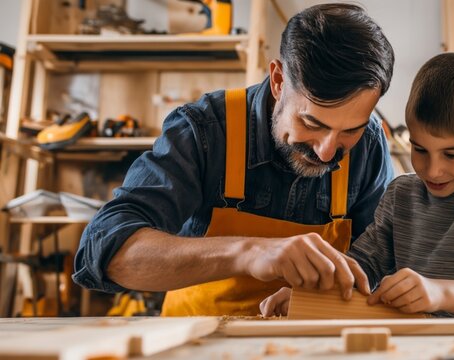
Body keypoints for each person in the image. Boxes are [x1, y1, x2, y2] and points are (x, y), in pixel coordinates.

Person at [72, 3, 395, 316]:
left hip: (310, 346)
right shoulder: (204, 130)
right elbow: (107, 251)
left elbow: (380, 265)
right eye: (312, 124)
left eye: (349, 131)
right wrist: (249, 252)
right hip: (198, 343)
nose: (327, 152)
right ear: (279, 80)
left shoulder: (369, 146)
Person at [260, 53, 454, 318]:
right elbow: (364, 264)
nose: (432, 170)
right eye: (419, 149)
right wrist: (311, 297)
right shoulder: (400, 194)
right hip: (412, 343)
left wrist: (439, 293)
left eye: (452, 155)